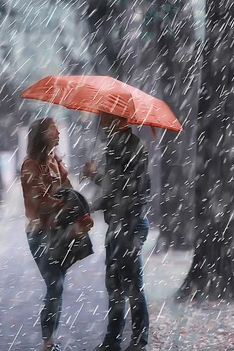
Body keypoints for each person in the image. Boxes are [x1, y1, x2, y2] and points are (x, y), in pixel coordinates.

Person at [21, 117, 94, 351]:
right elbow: (40, 203)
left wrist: (81, 213)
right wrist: (63, 205)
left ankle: (49, 339)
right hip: (40, 232)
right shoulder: (30, 165)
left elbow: (69, 190)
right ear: (42, 135)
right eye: (54, 130)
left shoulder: (55, 160)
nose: (59, 134)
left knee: (58, 283)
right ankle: (48, 341)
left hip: (58, 230)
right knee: (55, 284)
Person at [84, 113, 151, 351]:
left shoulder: (127, 146)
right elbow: (114, 188)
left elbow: (125, 190)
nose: (100, 121)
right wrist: (94, 180)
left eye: (103, 117)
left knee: (131, 285)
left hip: (129, 225)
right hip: (118, 225)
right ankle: (112, 342)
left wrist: (92, 202)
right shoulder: (115, 145)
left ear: (116, 119)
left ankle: (138, 342)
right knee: (114, 286)